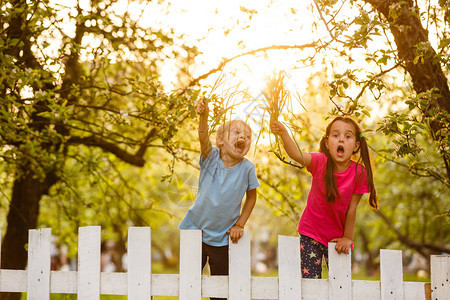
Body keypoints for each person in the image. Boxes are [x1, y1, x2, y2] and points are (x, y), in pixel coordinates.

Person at [270, 116, 378, 279]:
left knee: (340, 284)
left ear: (356, 145)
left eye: (347, 136)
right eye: (335, 135)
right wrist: (284, 133)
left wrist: (347, 237)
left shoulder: (359, 173)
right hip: (310, 233)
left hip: (337, 239)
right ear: (327, 143)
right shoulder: (320, 161)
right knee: (312, 282)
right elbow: (296, 154)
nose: (341, 139)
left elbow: (352, 208)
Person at [179, 100, 260, 300]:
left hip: (223, 238)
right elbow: (202, 137)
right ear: (220, 140)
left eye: (248, 137)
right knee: (189, 286)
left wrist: (240, 224)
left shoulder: (247, 168)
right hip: (195, 230)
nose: (243, 137)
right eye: (237, 133)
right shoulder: (211, 157)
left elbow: (252, 197)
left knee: (220, 291)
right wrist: (203, 117)